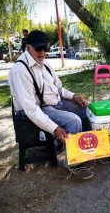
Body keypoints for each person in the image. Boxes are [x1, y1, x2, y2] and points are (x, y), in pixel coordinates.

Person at [8, 30, 94, 180]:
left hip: (53, 104)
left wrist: (74, 96)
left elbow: (58, 88)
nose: (42, 52)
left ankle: (87, 148)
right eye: (38, 49)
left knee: (87, 108)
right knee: (73, 120)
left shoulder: (45, 64)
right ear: (28, 47)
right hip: (36, 110)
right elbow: (31, 109)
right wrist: (54, 128)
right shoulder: (20, 71)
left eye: (45, 48)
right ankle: (74, 162)